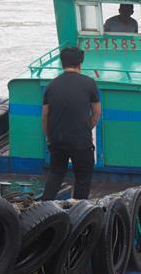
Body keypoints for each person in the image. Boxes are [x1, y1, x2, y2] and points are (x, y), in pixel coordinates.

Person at [41, 47, 101, 201]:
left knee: (56, 173)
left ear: (62, 63)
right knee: (82, 177)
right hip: (81, 141)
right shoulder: (89, 83)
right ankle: (78, 211)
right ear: (80, 63)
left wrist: (50, 137)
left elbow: (45, 116)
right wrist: (87, 128)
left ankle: (44, 206)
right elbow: (96, 112)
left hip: (57, 140)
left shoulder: (51, 85)